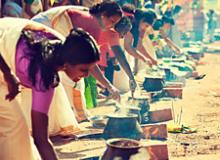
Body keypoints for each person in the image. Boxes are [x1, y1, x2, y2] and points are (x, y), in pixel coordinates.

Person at [0, 17, 100, 160]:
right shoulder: (42, 72)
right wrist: (8, 74)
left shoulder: (62, 48)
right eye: (83, 69)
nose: (86, 75)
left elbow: (40, 137)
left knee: (15, 130)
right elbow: (40, 140)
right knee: (14, 130)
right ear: (67, 64)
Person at [32, 2, 135, 106]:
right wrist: (109, 86)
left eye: (114, 24)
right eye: (112, 22)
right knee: (64, 79)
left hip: (43, 28)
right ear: (103, 15)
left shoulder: (94, 19)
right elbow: (90, 63)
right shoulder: (93, 24)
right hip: (40, 30)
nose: (111, 26)